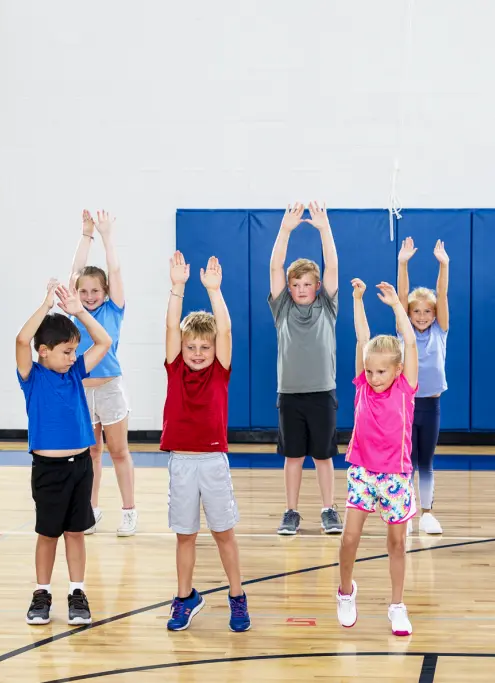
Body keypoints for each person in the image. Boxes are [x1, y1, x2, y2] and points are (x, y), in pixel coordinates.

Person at [160, 252, 251, 632]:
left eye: (204, 348)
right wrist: (177, 288)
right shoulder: (176, 367)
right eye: (191, 347)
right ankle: (185, 598)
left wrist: (214, 291)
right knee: (185, 535)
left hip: (213, 462)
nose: (197, 354)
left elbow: (225, 331)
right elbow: (169, 329)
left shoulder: (220, 373)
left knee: (223, 534)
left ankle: (237, 596)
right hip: (181, 461)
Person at [16, 280, 112, 626]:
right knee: (48, 533)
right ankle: (42, 592)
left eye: (74, 352)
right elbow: (21, 340)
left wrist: (80, 311)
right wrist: (46, 306)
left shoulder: (75, 374)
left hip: (80, 467)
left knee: (75, 532)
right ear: (44, 351)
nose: (73, 357)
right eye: (66, 351)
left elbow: (104, 341)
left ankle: (77, 591)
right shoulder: (32, 375)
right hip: (47, 469)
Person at [336, 279, 419, 637]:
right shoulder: (363, 385)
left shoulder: (405, 387)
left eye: (381, 371)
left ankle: (397, 606)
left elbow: (411, 341)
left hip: (396, 476)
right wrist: (357, 299)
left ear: (398, 370)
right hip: (363, 472)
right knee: (349, 538)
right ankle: (345, 591)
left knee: (396, 543)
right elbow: (361, 338)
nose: (373, 377)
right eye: (369, 371)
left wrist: (397, 306)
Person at [268, 201, 344, 535]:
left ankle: (329, 509)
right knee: (294, 457)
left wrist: (324, 229)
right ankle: (291, 511)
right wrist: (285, 230)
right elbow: (274, 266)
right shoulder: (282, 308)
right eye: (295, 284)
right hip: (290, 394)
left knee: (324, 457)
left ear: (316, 288)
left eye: (307, 284)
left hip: (322, 393)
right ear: (289, 287)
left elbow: (333, 266)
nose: (301, 289)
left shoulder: (327, 306)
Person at [69, 209, 138, 536]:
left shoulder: (114, 308)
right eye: (83, 292)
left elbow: (115, 268)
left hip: (110, 389)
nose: (89, 296)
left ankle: (129, 511)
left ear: (106, 292)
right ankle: (91, 510)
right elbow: (75, 272)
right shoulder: (76, 312)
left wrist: (107, 235)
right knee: (91, 453)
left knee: (118, 451)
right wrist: (86, 235)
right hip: (81, 390)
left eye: (95, 291)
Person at [396, 236, 450, 534]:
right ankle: (404, 509)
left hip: (431, 404)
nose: (421, 316)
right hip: (406, 405)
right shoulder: (405, 330)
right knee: (406, 461)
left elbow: (441, 295)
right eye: (416, 311)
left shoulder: (440, 331)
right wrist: (403, 263)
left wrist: (444, 266)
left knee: (426, 460)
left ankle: (427, 513)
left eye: (427, 312)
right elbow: (402, 294)